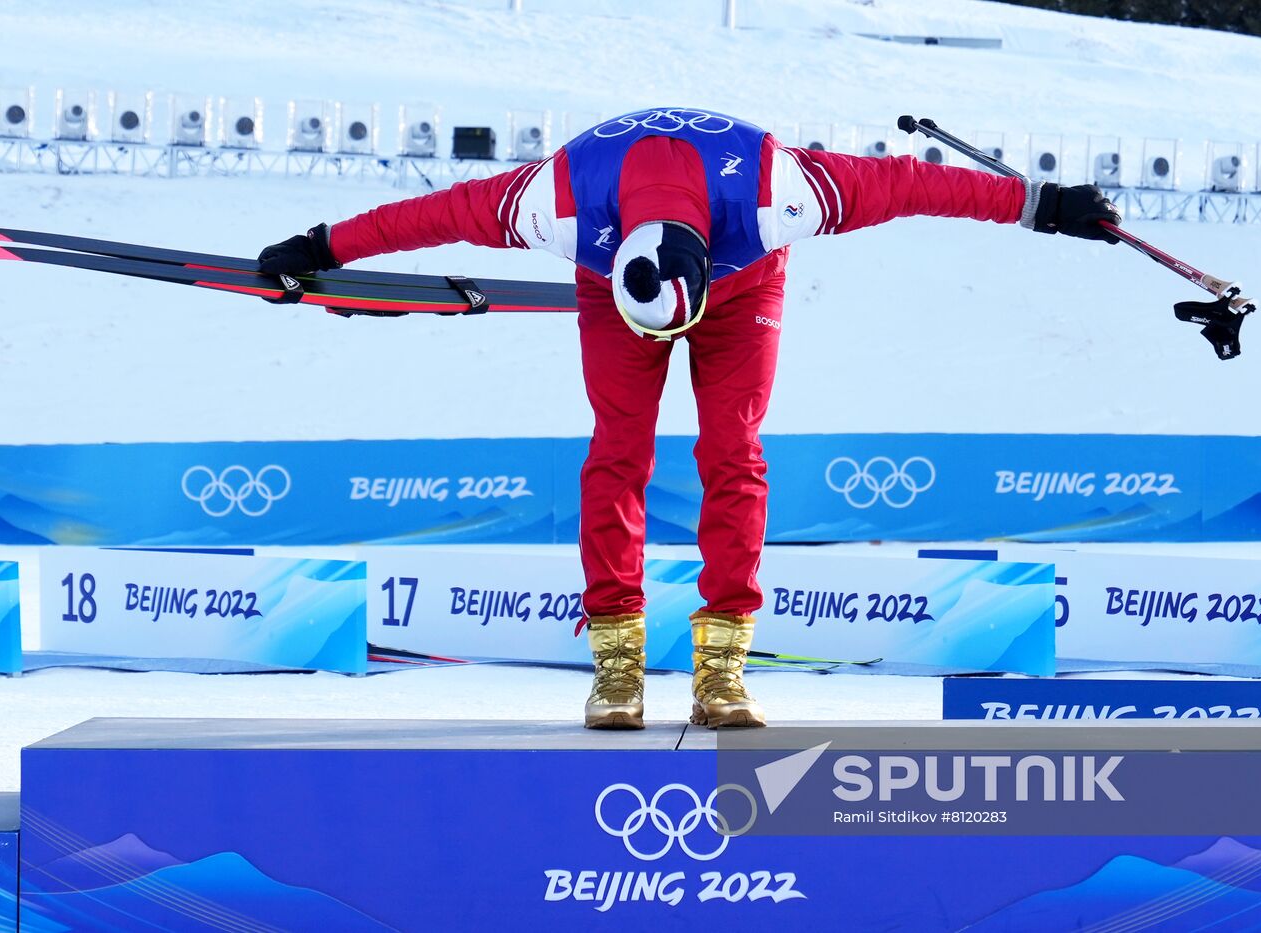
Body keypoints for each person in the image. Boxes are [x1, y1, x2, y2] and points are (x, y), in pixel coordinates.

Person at [257, 107, 1121, 731]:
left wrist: (1045, 206)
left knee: (733, 452)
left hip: (745, 288)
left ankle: (723, 668)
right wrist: (323, 245)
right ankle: (617, 666)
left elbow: (910, 183)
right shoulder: (555, 200)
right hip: (610, 291)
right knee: (618, 451)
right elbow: (434, 213)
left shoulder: (789, 191)